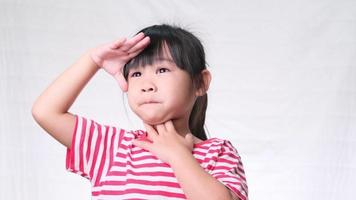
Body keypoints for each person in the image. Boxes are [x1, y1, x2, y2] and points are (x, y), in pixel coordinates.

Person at [32, 24, 248, 200]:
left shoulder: (218, 152)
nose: (146, 84)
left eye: (162, 70)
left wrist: (178, 155)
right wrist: (92, 60)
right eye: (135, 74)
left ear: (200, 82)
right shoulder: (113, 147)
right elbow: (45, 112)